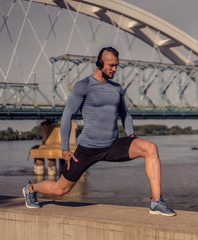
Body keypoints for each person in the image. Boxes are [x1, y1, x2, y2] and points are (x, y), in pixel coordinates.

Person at [23, 47, 176, 217]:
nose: (115, 69)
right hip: (88, 149)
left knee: (150, 148)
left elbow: (125, 114)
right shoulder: (84, 86)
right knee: (61, 190)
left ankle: (156, 201)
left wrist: (131, 134)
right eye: (111, 65)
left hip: (112, 145)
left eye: (117, 65)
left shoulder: (117, 88)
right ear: (100, 63)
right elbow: (67, 116)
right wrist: (65, 148)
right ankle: (31, 189)